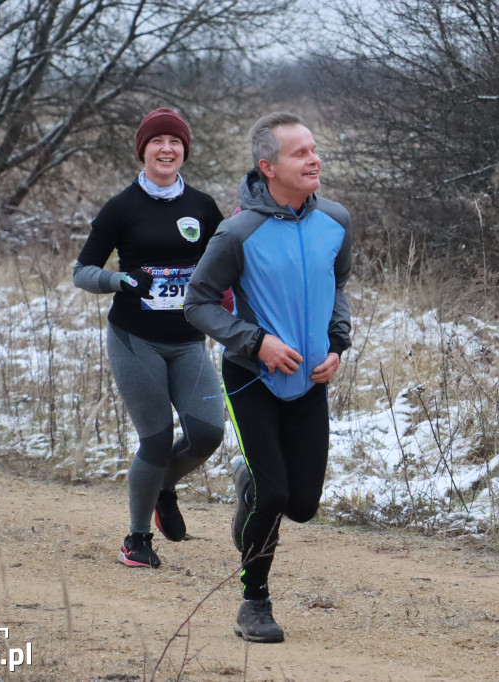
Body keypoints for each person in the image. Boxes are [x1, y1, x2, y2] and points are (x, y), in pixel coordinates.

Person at [184, 112, 353, 643]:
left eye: (314, 148)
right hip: (251, 378)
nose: (314, 159)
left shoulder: (336, 221)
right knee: (276, 498)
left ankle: (252, 482)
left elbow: (338, 289)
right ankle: (254, 602)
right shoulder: (237, 232)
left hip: (309, 383)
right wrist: (256, 342)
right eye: (300, 153)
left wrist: (337, 345)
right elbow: (198, 304)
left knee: (301, 505)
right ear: (268, 167)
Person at [73, 107, 225, 569]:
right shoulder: (122, 207)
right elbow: (83, 272)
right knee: (156, 441)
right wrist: (120, 281)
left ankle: (163, 488)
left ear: (184, 151)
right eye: (157, 141)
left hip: (187, 339)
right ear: (143, 150)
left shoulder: (201, 206)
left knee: (207, 434)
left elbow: (226, 261)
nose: (166, 149)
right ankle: (136, 540)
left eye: (175, 142)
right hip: (135, 337)